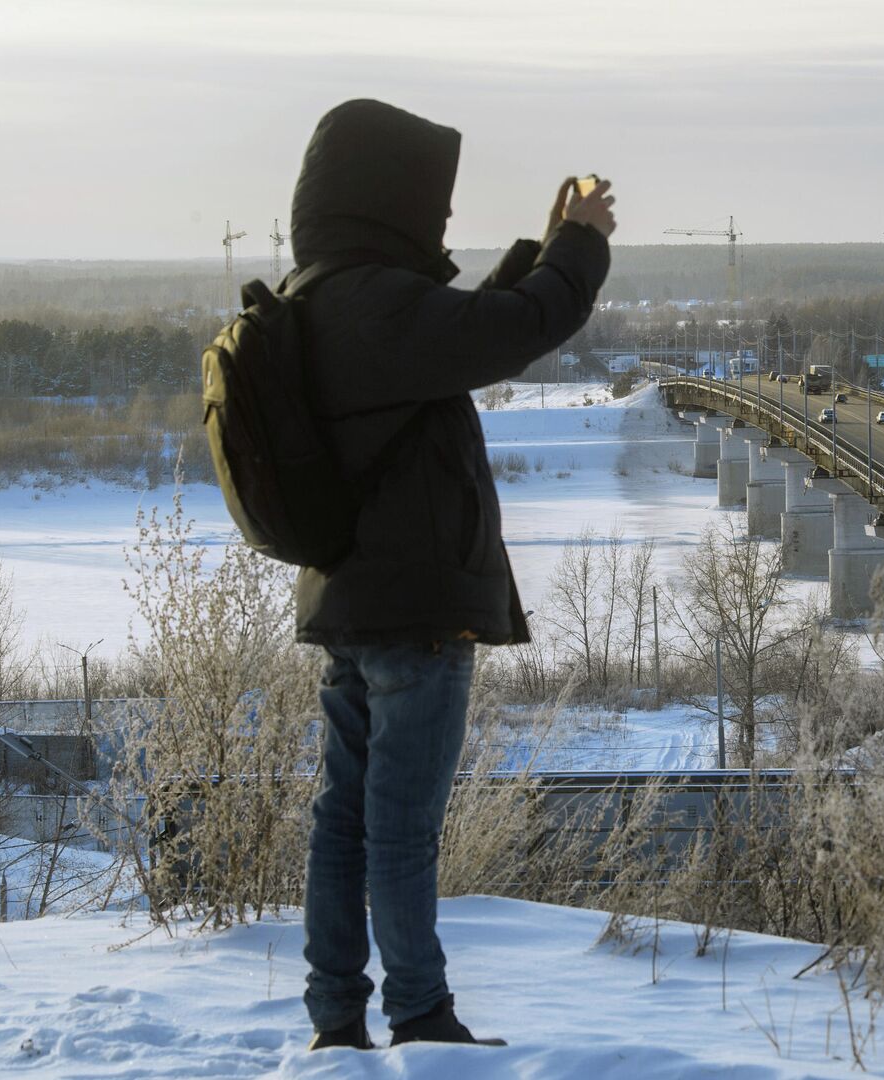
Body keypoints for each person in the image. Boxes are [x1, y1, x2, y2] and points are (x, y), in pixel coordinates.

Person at [285, 98, 615, 1051]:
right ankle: (422, 1018)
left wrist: (545, 243)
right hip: (418, 611)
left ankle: (335, 1018)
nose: (439, 226)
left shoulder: (322, 295)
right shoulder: (375, 301)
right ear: (386, 201)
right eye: (431, 207)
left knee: (342, 822)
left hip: (350, 600)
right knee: (398, 829)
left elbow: (455, 338)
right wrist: (581, 247)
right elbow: (507, 332)